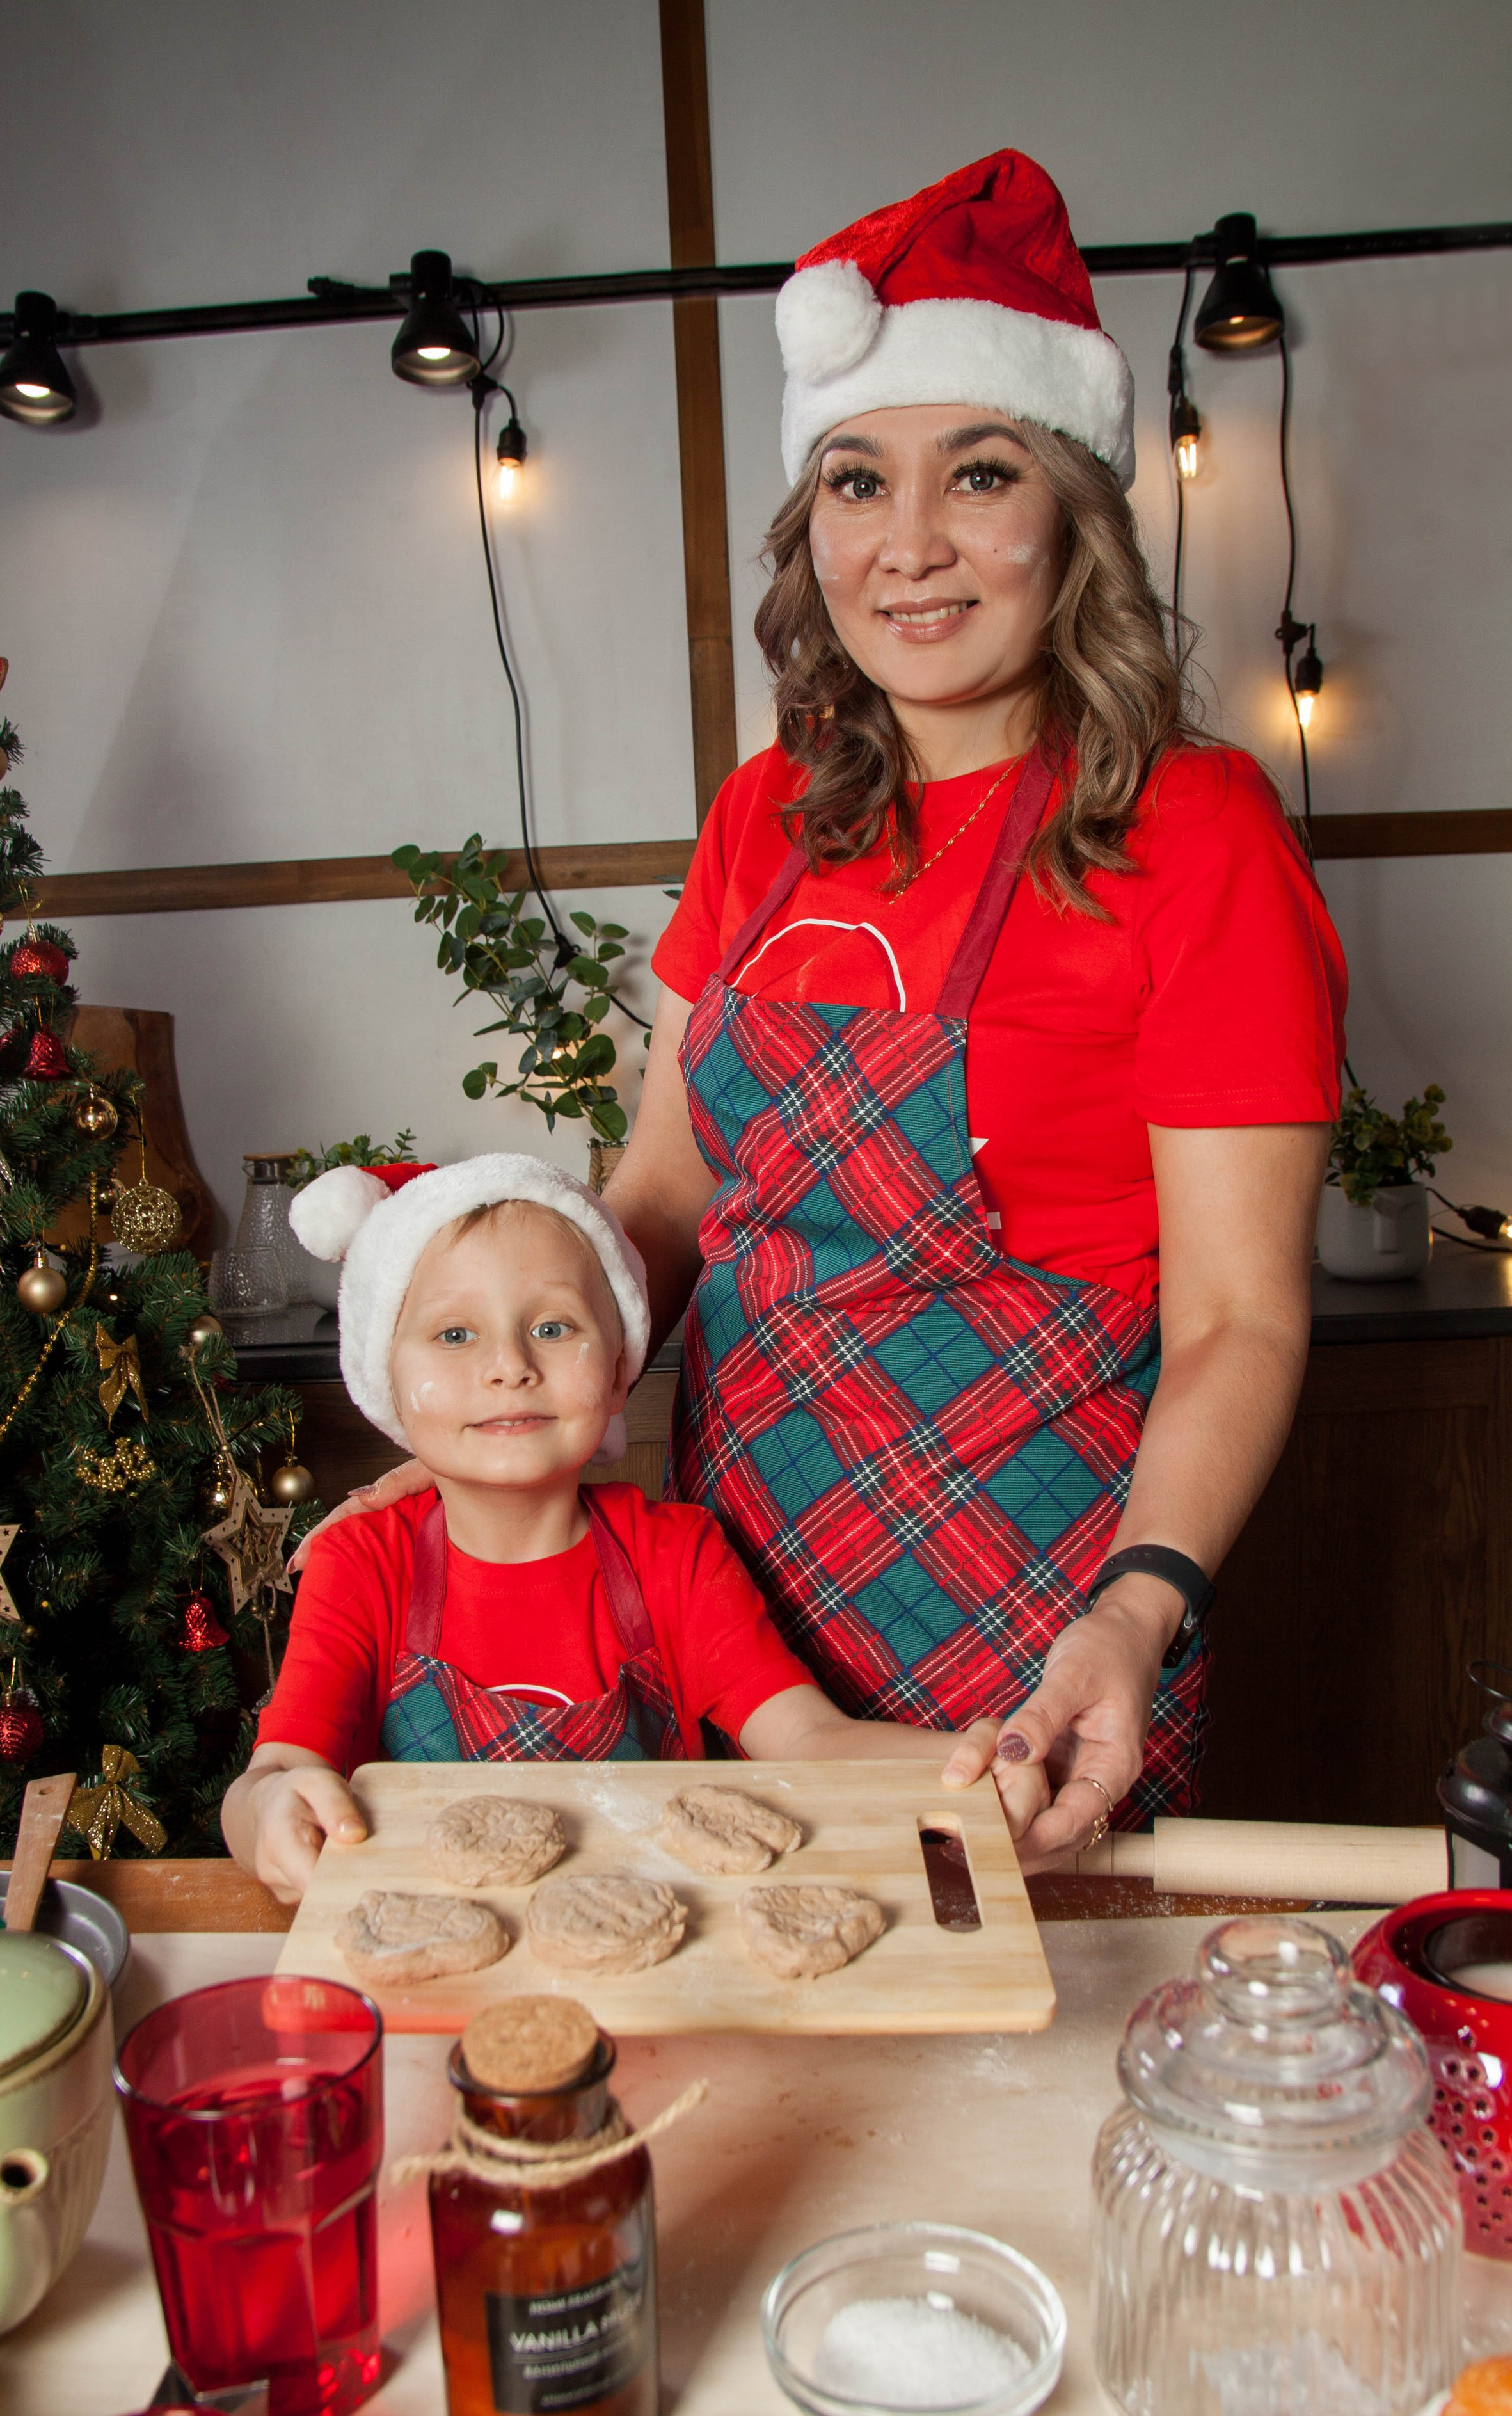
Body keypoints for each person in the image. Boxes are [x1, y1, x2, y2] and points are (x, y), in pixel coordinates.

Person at [298, 149, 1347, 1872]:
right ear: (812, 525)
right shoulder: (766, 816)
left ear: (1071, 509)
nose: (911, 547)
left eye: (979, 475)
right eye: (858, 484)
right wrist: (466, 1422)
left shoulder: (1196, 834)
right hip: (723, 1583)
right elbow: (656, 1209)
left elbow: (1239, 1318)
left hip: (1042, 1599)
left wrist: (1140, 1612)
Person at [225, 1156, 955, 1902]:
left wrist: (971, 1768)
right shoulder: (363, 1564)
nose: (509, 1365)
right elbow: (269, 1781)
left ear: (615, 1373)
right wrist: (269, 1813)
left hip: (652, 1949)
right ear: (383, 1379)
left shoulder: (677, 1555)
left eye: (551, 1326)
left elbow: (808, 1742)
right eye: (453, 1335)